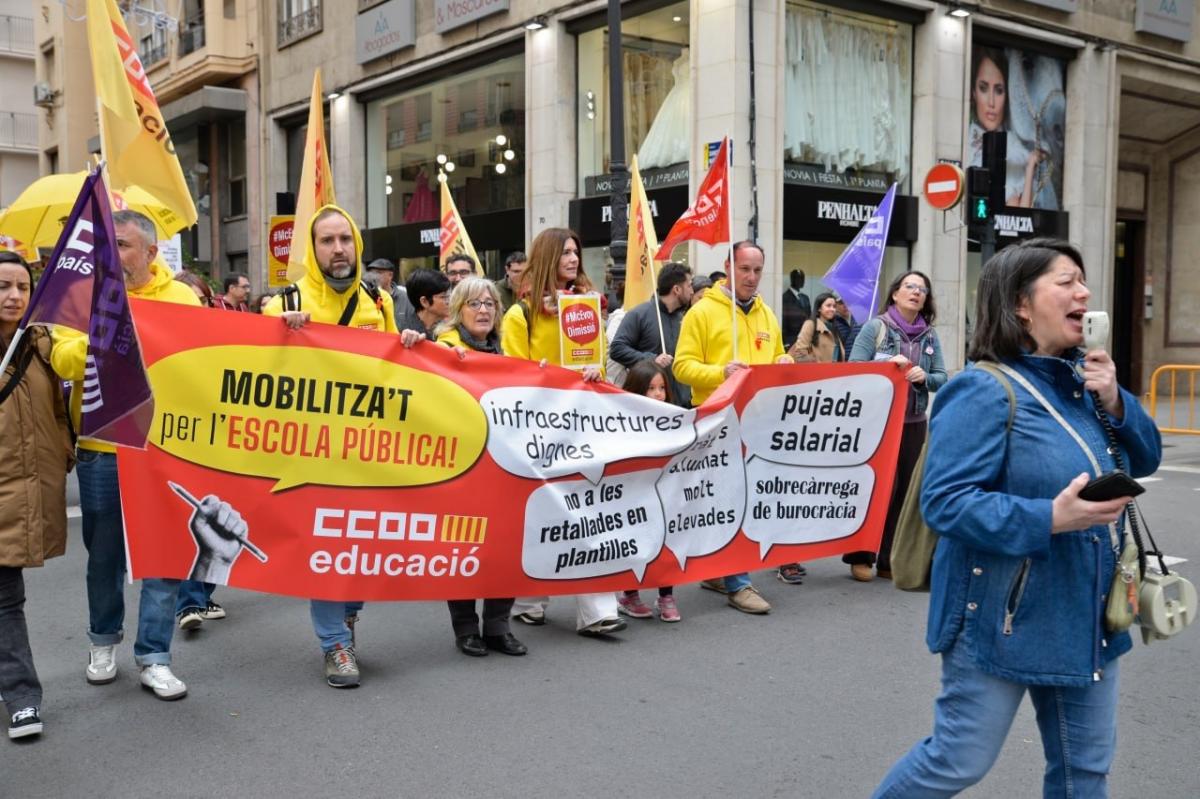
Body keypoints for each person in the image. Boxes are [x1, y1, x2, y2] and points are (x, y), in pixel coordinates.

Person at [872, 238, 1162, 798]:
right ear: (1021, 305)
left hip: (1085, 613)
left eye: (1083, 281)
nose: (1084, 293)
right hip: (999, 616)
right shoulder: (981, 389)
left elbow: (1145, 457)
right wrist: (1049, 516)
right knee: (956, 761)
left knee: (1085, 772)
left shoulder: (1084, 382)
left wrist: (1116, 399)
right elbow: (946, 501)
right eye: (1066, 282)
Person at [51, 210, 216, 700]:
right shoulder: (82, 294)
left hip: (166, 447)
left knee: (164, 556)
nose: (112, 254)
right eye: (107, 245)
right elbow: (63, 360)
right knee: (103, 556)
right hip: (103, 445)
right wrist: (107, 332)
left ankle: (155, 657)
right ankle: (103, 643)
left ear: (150, 252)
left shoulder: (181, 298)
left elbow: (210, 360)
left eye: (122, 245)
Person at [263, 205, 397, 689]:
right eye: (327, 241)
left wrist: (410, 342)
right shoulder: (285, 302)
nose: (337, 249)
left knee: (362, 545)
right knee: (326, 547)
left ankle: (346, 616)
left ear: (356, 245)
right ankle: (335, 644)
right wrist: (278, 334)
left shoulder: (378, 302)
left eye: (344, 239)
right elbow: (257, 373)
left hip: (368, 448)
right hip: (312, 453)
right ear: (312, 248)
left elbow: (397, 373)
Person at [500, 227, 625, 637]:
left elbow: (599, 363)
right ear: (547, 257)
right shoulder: (520, 315)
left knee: (589, 511)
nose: (573, 259)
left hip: (583, 425)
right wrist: (545, 376)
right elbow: (512, 375)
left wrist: (594, 370)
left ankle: (597, 609)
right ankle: (528, 599)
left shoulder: (587, 306)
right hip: (539, 430)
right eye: (565, 252)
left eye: (576, 252)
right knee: (543, 513)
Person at [673, 241, 792, 614]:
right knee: (731, 499)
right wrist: (720, 373)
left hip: (758, 420)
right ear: (728, 267)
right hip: (718, 421)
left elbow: (776, 355)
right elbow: (681, 367)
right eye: (744, 269)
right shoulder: (702, 313)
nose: (751, 277)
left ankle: (718, 569)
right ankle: (738, 583)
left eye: (757, 270)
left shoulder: (766, 314)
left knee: (744, 497)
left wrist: (784, 361)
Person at [422, 277, 527, 657]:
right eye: (474, 303)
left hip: (504, 463)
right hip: (461, 464)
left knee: (505, 544)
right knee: (462, 544)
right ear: (458, 310)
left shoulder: (507, 351)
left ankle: (498, 626)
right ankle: (466, 628)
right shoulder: (442, 350)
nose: (483, 310)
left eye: (489, 304)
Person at [0, 252, 73, 739]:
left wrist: (64, 449)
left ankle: (17, 691)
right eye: (3, 286)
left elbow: (60, 410)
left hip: (24, 488)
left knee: (7, 596)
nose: (14, 296)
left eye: (23, 287)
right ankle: (22, 695)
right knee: (6, 598)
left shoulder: (43, 343)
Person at [846, 271, 947, 582]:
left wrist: (925, 377)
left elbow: (942, 377)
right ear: (895, 294)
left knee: (904, 493)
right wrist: (887, 365)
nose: (916, 292)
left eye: (922, 289)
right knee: (875, 490)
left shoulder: (930, 336)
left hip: (913, 423)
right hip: (878, 423)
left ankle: (889, 558)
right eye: (910, 286)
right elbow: (854, 368)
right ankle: (861, 556)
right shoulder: (876, 327)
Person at [171, 272, 230, 633]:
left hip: (219, 441)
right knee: (189, 524)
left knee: (219, 522)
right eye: (186, 300)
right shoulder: (166, 340)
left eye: (201, 300)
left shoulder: (226, 338)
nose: (194, 307)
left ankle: (202, 596)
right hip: (181, 442)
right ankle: (189, 603)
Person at [615, 359, 682, 623]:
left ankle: (666, 595)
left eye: (661, 388)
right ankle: (629, 594)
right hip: (633, 495)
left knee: (666, 541)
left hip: (664, 493)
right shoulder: (622, 420)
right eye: (651, 389)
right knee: (634, 542)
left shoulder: (675, 419)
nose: (658, 394)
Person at [610, 262, 693, 407]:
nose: (692, 291)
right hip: (649, 406)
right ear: (677, 289)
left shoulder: (684, 318)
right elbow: (617, 348)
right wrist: (652, 359)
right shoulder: (639, 314)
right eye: (689, 285)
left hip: (681, 405)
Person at [969, 47, 1043, 208]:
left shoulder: (1015, 150)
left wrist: (1030, 167)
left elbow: (1022, 215)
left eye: (999, 90)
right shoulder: (965, 145)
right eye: (983, 88)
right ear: (973, 93)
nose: (991, 102)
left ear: (1007, 95)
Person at [364, 257, 414, 332]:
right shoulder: (365, 296)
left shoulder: (405, 297)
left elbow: (414, 324)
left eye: (378, 273)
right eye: (371, 273)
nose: (373, 276)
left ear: (390, 275)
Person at [405, 268, 451, 341]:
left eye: (448, 296)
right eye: (443, 297)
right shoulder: (404, 334)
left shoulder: (451, 329)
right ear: (424, 301)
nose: (449, 301)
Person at [780, 269, 811, 346]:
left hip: (805, 338)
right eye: (799, 278)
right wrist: (785, 342)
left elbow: (809, 317)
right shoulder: (785, 297)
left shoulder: (805, 298)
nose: (802, 281)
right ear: (792, 279)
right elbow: (784, 321)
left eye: (803, 278)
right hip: (791, 339)